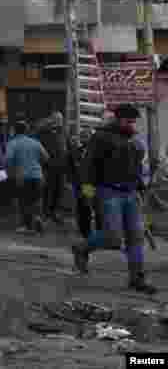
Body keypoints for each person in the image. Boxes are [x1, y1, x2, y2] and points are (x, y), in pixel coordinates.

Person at [72, 105, 157, 294]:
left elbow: (138, 168)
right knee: (113, 238)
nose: (132, 125)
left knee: (135, 237)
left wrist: (141, 188)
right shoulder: (101, 137)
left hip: (131, 193)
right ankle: (82, 248)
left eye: (134, 122)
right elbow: (88, 167)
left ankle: (137, 278)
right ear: (118, 119)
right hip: (108, 192)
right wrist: (87, 192)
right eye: (128, 121)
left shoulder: (135, 140)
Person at [6, 120, 49, 234]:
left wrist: (11, 173)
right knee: (36, 200)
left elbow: (8, 160)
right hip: (37, 176)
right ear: (26, 131)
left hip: (22, 177)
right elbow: (46, 157)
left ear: (15, 131)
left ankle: (27, 226)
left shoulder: (13, 143)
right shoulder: (35, 142)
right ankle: (37, 218)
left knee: (24, 202)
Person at [35, 112, 68, 224]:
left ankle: (55, 213)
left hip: (61, 166)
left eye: (61, 119)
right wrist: (48, 123)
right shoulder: (44, 131)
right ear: (52, 119)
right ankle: (46, 213)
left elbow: (66, 146)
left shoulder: (63, 131)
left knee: (59, 191)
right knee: (48, 190)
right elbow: (37, 129)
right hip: (48, 166)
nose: (60, 121)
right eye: (57, 119)